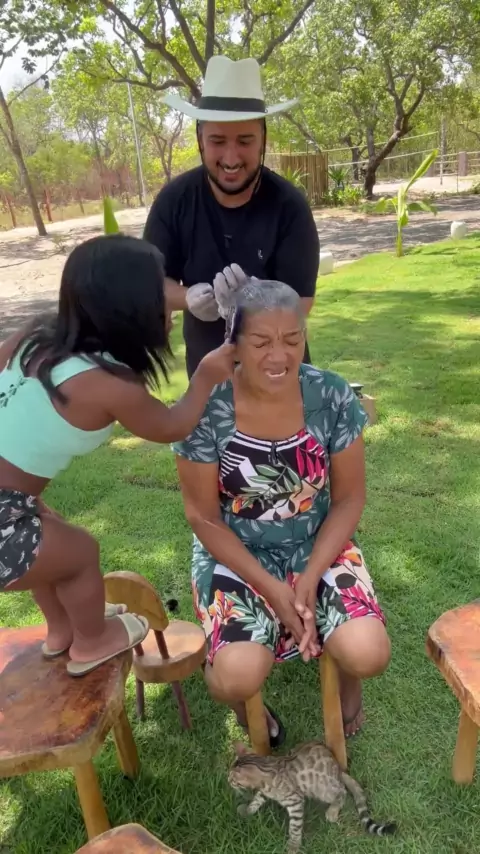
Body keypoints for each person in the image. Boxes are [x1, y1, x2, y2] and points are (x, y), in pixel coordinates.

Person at [0, 234, 235, 677]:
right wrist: (205, 376)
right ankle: (93, 640)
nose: (170, 305)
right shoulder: (108, 385)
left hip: (8, 503)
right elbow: (171, 425)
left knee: (51, 542)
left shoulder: (33, 337)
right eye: (160, 295)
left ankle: (62, 631)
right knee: (79, 555)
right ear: (130, 310)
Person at [174, 280, 390, 744]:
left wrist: (309, 576)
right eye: (261, 342)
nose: (279, 355)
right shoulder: (206, 408)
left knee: (369, 653)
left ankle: (346, 671)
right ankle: (239, 693)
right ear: (233, 344)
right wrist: (273, 589)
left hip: (316, 543)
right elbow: (203, 517)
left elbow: (349, 498)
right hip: (235, 553)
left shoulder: (330, 395)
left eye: (292, 339)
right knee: (237, 675)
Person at [144, 54, 320, 378]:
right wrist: (189, 297)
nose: (230, 157)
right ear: (200, 139)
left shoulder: (289, 206)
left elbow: (303, 302)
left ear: (263, 139)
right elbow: (153, 283)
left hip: (281, 376)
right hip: (208, 380)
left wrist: (255, 300)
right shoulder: (173, 202)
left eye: (244, 141)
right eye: (217, 141)